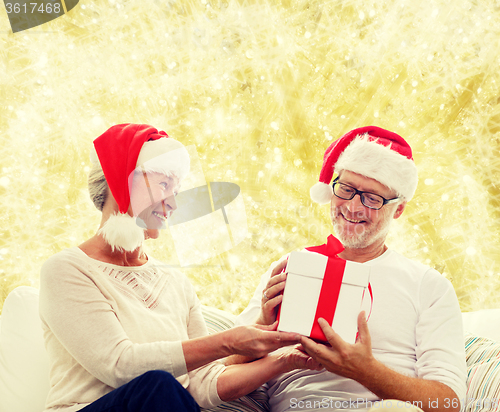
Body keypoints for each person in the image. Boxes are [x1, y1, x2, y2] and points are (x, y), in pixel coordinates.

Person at [39, 123, 321, 412]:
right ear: (120, 181)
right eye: (164, 185)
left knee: (167, 390)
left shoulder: (175, 282)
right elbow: (120, 366)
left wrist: (287, 359)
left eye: (177, 189)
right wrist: (228, 342)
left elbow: (200, 385)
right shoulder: (66, 270)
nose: (173, 203)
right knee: (158, 386)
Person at [235, 126, 467, 412]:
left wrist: (365, 370)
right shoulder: (288, 268)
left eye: (372, 198)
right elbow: (220, 371)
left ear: (398, 209)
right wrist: (262, 323)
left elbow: (449, 403)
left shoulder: (428, 285)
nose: (353, 206)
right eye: (346, 189)